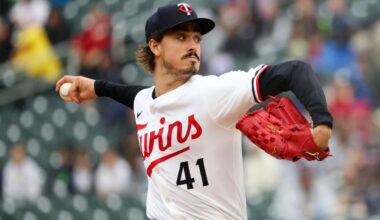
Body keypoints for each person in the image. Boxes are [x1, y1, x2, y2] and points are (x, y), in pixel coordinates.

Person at [56, 3, 333, 219]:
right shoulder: (144, 102)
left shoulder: (215, 93)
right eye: (181, 37)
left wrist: (322, 123)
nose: (193, 45)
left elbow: (295, 70)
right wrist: (97, 86)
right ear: (155, 46)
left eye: (196, 39)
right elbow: (136, 96)